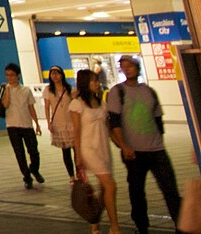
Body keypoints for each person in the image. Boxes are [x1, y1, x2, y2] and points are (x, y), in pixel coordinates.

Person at [107, 54, 180, 234]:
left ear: (137, 67)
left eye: (130, 65)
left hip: (156, 149)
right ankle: (141, 226)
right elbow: (114, 123)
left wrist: (159, 141)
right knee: (137, 191)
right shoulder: (117, 92)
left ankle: (181, 224)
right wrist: (124, 146)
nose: (126, 69)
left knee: (171, 190)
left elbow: (158, 120)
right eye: (123, 66)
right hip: (133, 151)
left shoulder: (149, 91)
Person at [71, 68, 123, 234]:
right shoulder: (77, 104)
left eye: (96, 80)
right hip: (89, 149)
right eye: (93, 80)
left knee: (104, 187)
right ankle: (114, 226)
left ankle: (94, 221)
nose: (97, 83)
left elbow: (107, 127)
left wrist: (119, 143)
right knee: (110, 185)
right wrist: (78, 155)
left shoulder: (101, 102)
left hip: (103, 147)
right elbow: (76, 131)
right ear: (85, 83)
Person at [0, 61, 44, 188]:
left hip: (27, 125)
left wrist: (37, 123)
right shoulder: (4, 89)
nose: (9, 78)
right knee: (19, 153)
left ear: (18, 75)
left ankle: (34, 169)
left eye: (12, 75)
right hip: (12, 125)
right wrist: (7, 90)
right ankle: (27, 177)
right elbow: (5, 105)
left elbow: (31, 108)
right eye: (7, 75)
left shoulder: (26, 90)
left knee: (34, 151)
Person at [44, 65, 76, 180]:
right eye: (52, 74)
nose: (55, 76)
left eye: (57, 73)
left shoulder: (69, 89)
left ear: (62, 75)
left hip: (71, 122)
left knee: (77, 150)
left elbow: (75, 106)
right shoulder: (48, 90)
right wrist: (48, 122)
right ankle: (71, 176)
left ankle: (79, 174)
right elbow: (47, 107)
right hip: (59, 123)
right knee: (66, 151)